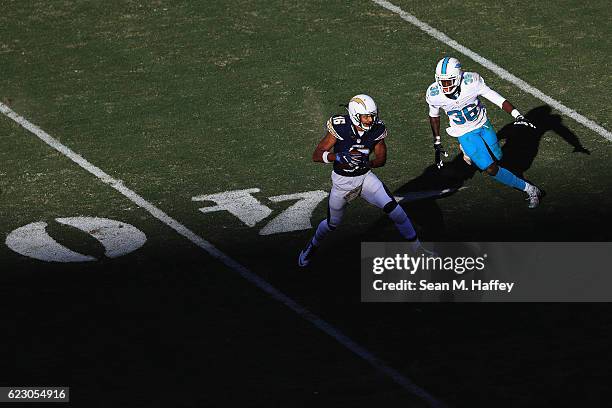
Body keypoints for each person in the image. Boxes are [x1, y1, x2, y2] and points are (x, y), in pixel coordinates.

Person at [298, 94, 425, 267]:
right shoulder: (340, 127)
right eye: (366, 116)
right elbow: (317, 154)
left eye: (372, 115)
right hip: (342, 182)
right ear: (354, 115)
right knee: (332, 224)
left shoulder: (377, 129)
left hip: (365, 178)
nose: (370, 119)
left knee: (395, 210)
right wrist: (339, 157)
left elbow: (381, 159)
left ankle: (418, 250)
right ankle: (312, 246)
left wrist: (368, 162)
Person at [426, 56, 543, 208]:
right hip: (464, 132)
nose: (445, 86)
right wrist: (437, 141)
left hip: (482, 124)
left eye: (448, 81)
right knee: (491, 168)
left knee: (498, 157)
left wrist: (517, 115)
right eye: (441, 81)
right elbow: (434, 116)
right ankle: (530, 189)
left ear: (459, 77)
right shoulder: (434, 94)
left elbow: (495, 97)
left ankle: (471, 154)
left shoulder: (472, 82)